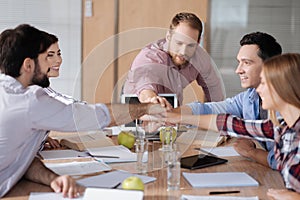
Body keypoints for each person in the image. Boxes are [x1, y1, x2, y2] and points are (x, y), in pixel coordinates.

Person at [0, 24, 166, 198]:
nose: (51, 63)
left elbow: (21, 160)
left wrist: (52, 179)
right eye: (45, 59)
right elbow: (97, 116)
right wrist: (147, 107)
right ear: (28, 65)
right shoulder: (29, 101)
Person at [156, 53, 300, 197]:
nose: (258, 89)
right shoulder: (281, 128)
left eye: (263, 83)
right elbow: (227, 123)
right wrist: (177, 117)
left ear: (283, 87)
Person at [177, 32, 282, 169]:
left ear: (270, 66)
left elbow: (284, 161)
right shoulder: (250, 97)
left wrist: (252, 152)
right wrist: (172, 113)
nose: (238, 70)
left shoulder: (288, 104)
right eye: (239, 62)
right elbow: (210, 110)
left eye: (247, 63)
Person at [123, 12, 225, 107]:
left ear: (198, 42)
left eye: (190, 45)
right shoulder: (149, 57)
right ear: (168, 36)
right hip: (136, 107)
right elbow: (145, 86)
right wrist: (152, 99)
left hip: (171, 110)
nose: (183, 52)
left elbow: (214, 89)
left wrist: (216, 116)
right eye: (179, 43)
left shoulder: (200, 58)